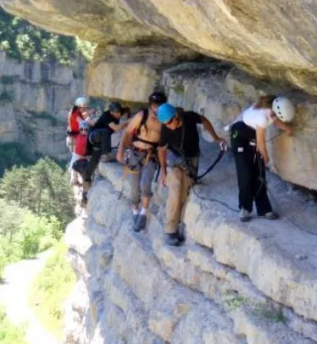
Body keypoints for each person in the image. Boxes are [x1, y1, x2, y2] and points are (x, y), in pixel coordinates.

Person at [156, 103, 226, 246]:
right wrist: (163, 173)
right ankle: (170, 230)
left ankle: (180, 224)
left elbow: (204, 121)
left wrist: (216, 137)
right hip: (174, 159)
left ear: (176, 116)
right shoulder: (165, 129)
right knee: (175, 187)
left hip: (191, 159)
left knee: (184, 192)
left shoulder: (189, 117)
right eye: (165, 124)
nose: (168, 126)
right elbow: (161, 150)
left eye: (169, 122)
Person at [229, 95, 294, 222]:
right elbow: (260, 141)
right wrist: (265, 156)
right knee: (245, 172)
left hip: (252, 132)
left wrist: (288, 129)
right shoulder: (262, 117)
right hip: (239, 135)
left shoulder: (272, 108)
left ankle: (264, 209)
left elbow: (276, 120)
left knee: (259, 173)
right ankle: (245, 208)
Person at [117, 91, 166, 232]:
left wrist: (164, 169)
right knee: (134, 186)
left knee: (145, 183)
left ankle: (143, 213)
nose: (156, 109)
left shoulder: (164, 121)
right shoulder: (141, 116)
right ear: (151, 105)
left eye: (159, 106)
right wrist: (120, 150)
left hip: (151, 155)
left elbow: (165, 144)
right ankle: (135, 210)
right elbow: (127, 132)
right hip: (135, 153)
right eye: (155, 106)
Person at [80, 102, 125, 205]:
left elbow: (124, 110)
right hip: (94, 138)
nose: (119, 114)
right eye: (117, 113)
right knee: (105, 131)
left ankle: (85, 195)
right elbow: (117, 128)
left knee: (93, 163)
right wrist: (130, 122)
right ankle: (105, 154)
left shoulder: (116, 113)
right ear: (112, 112)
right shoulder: (106, 116)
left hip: (99, 142)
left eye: (120, 112)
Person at [67, 97, 91, 186]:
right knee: (76, 158)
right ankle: (73, 179)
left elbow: (82, 115)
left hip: (74, 138)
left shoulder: (75, 112)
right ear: (80, 107)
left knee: (76, 157)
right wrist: (89, 121)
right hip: (75, 139)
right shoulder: (76, 115)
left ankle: (75, 178)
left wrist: (88, 113)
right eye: (84, 108)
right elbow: (82, 123)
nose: (85, 109)